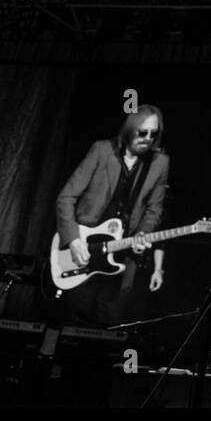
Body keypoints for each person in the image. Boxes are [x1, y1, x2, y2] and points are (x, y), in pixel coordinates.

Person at [54, 106, 169, 325]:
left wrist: (143, 234)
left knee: (109, 326)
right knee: (73, 322)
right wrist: (73, 240)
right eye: (142, 132)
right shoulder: (101, 151)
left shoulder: (159, 163)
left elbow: (155, 209)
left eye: (154, 134)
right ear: (129, 129)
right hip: (85, 250)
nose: (148, 138)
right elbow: (66, 197)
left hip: (121, 257)